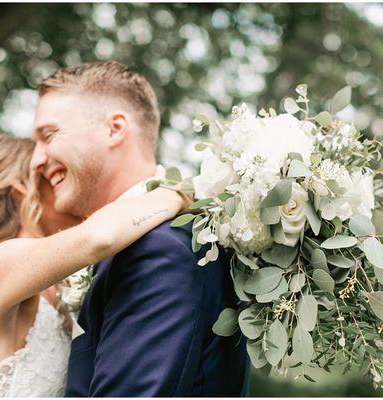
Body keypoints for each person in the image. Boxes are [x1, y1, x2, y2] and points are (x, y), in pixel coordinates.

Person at [31, 61, 249, 396]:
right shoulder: (140, 244)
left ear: (114, 129)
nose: (36, 160)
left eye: (50, 135)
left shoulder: (160, 250)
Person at [0, 134, 188, 397]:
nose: (68, 191)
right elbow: (97, 237)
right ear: (22, 190)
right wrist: (177, 194)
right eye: (54, 180)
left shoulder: (56, 286)